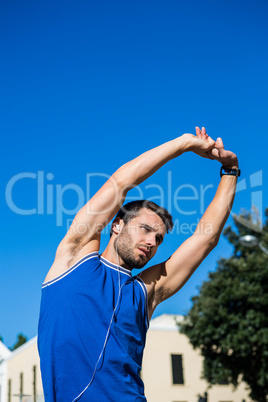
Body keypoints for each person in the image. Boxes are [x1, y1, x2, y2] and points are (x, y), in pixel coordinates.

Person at [38, 127, 240, 401]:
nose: (152, 241)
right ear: (117, 225)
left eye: (158, 238)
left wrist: (230, 171)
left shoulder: (145, 292)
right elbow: (122, 181)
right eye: (145, 229)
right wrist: (183, 144)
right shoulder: (75, 257)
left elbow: (206, 239)